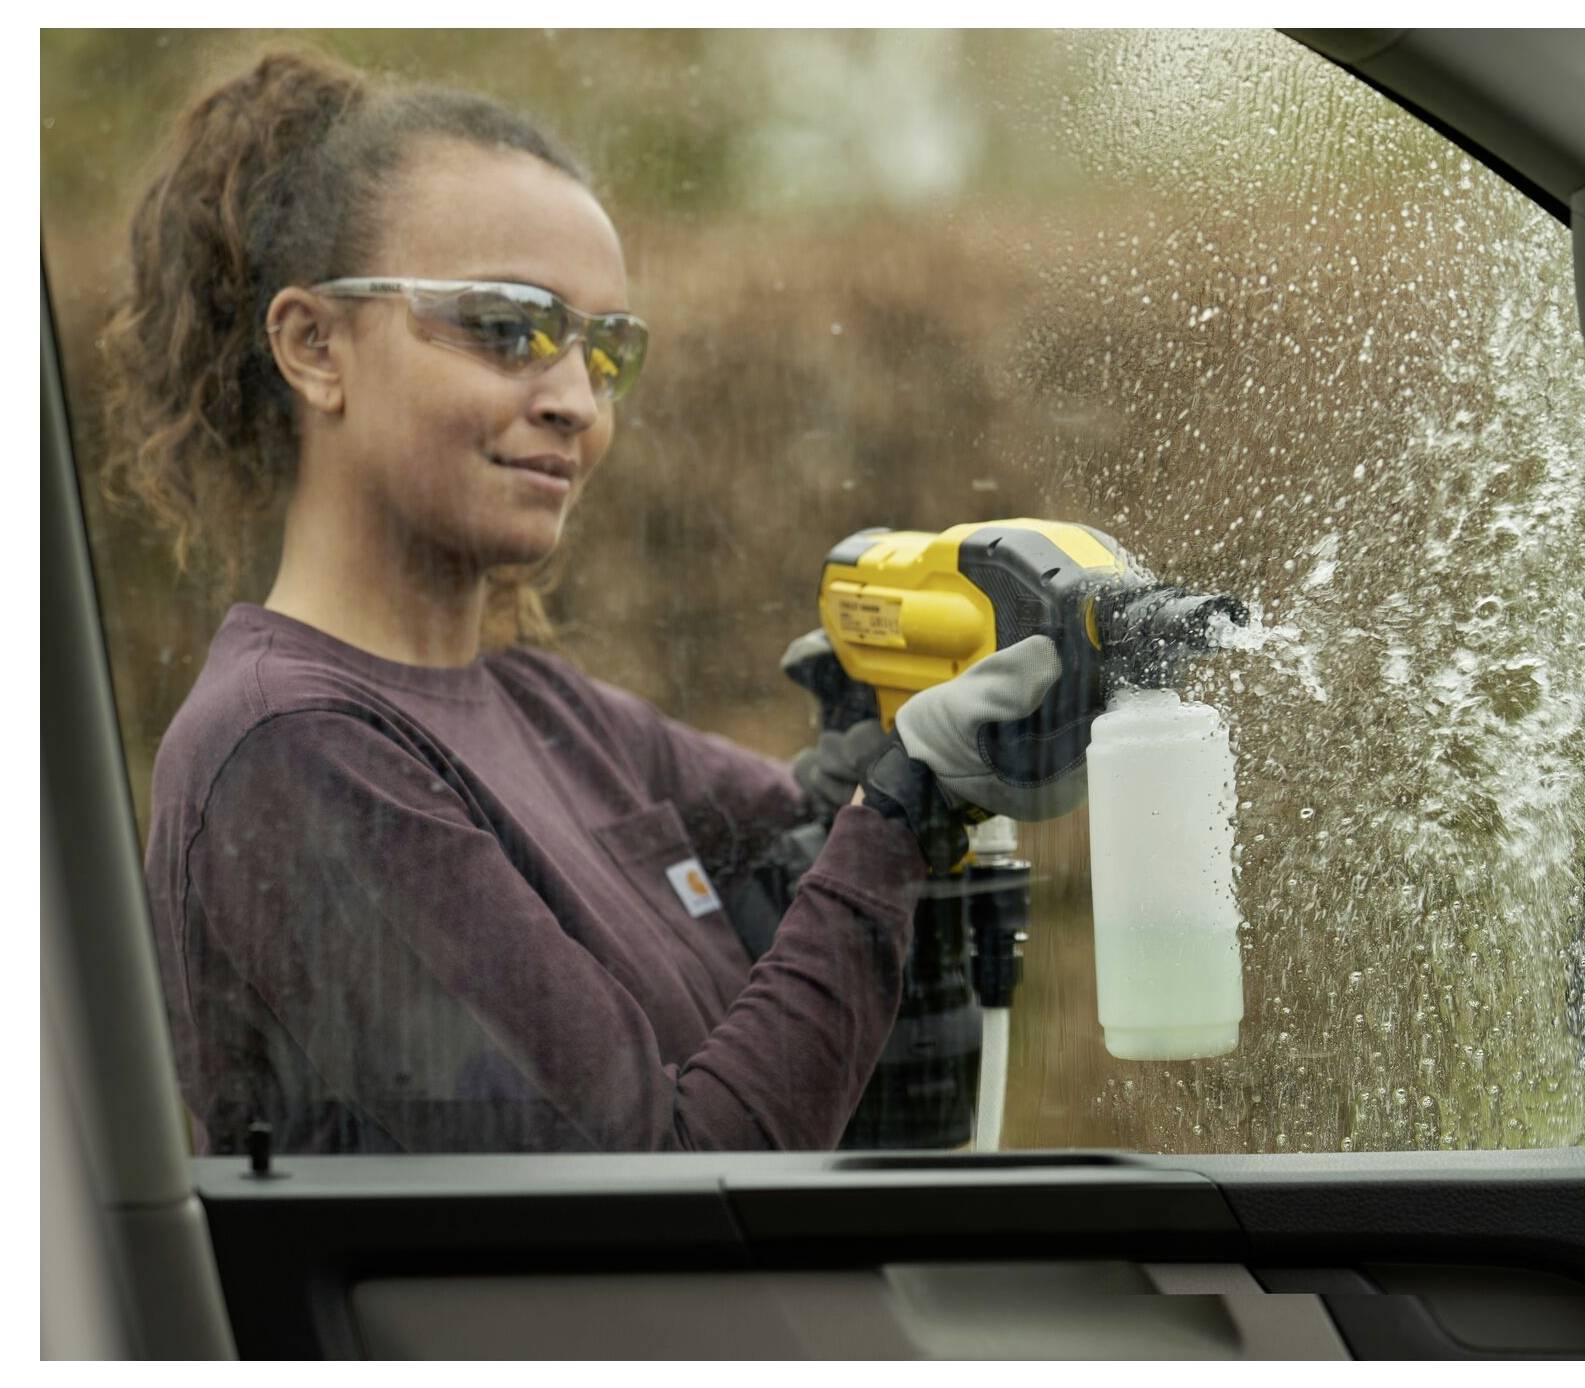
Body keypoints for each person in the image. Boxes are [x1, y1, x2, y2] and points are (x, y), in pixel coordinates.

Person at [102, 50, 1076, 1155]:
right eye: (507, 325)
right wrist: (892, 823)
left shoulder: (543, 708)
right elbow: (666, 1190)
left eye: (606, 349)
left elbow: (813, 911)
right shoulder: (294, 756)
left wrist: (868, 778)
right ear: (314, 346)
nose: (574, 400)